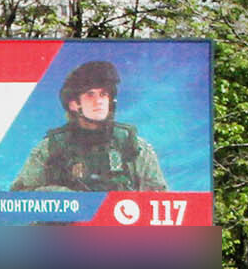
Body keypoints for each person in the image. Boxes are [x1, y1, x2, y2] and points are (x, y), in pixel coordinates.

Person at [10, 58, 166, 193]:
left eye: (103, 94)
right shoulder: (51, 148)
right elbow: (21, 197)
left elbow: (159, 200)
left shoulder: (132, 146)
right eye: (90, 94)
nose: (98, 101)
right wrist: (64, 199)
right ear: (74, 104)